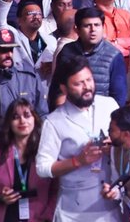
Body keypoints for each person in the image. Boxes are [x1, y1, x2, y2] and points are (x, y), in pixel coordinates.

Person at [35, 55, 118, 221]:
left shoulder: (109, 105)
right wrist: (77, 161)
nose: (87, 87)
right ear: (64, 89)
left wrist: (115, 146)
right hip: (74, 208)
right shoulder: (54, 121)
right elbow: (42, 168)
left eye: (89, 80)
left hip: (110, 201)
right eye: (79, 83)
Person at [0, 98, 56, 222]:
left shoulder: (46, 152)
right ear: (9, 123)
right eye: (15, 117)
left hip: (38, 218)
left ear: (35, 119)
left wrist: (48, 215)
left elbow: (56, 189)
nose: (22, 121)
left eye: (27, 115)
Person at [0, 30, 43, 123]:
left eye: (11, 49)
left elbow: (42, 114)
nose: (9, 55)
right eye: (3, 51)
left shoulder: (29, 78)